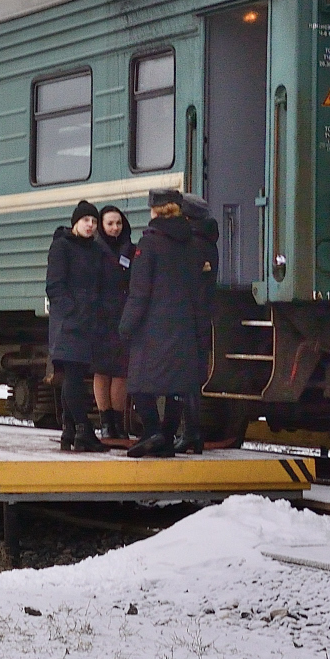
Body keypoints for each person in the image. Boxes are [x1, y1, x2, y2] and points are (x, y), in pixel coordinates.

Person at [120, 189, 214, 459]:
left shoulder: (148, 244)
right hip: (184, 325)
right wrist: (200, 331)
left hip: (152, 326)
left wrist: (126, 325)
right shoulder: (194, 245)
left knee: (138, 382)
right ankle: (168, 434)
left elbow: (140, 292)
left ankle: (152, 431)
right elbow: (199, 292)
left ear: (154, 211)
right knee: (178, 384)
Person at [44, 201, 107, 452]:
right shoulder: (61, 247)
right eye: (85, 221)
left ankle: (69, 433)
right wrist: (72, 311)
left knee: (76, 375)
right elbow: (55, 286)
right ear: (75, 223)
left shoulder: (94, 250)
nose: (90, 225)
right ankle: (83, 429)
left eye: (93, 221)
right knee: (73, 375)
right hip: (69, 323)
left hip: (85, 322)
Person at [177, 193, 221, 455]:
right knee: (192, 377)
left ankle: (191, 433)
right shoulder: (207, 242)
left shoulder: (192, 244)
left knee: (187, 378)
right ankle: (192, 432)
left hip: (189, 318)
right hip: (202, 317)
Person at [92, 205, 134, 441]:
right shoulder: (95, 250)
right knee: (102, 371)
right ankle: (105, 422)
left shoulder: (130, 248)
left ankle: (118, 422)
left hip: (123, 316)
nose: (115, 227)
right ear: (102, 225)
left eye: (118, 223)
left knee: (121, 372)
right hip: (101, 319)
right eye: (110, 223)